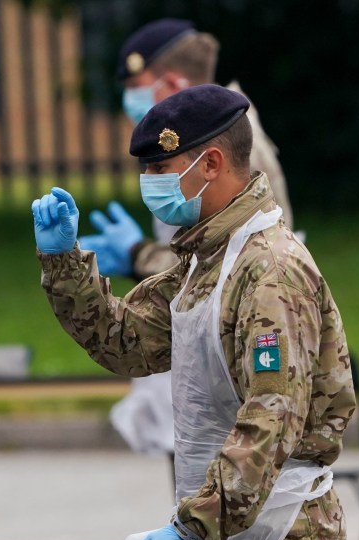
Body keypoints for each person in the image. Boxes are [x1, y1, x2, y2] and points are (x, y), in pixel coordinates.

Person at [31, 85, 355, 540]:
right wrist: (62, 261)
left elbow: (273, 420)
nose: (150, 184)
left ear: (210, 164)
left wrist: (190, 528)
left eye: (159, 169)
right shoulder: (202, 262)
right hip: (216, 537)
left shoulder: (270, 270)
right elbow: (125, 343)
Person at [82, 19, 297, 472]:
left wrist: (141, 255)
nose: (133, 104)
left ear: (174, 82)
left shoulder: (230, 146)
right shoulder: (193, 143)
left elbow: (232, 259)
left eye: (139, 88)